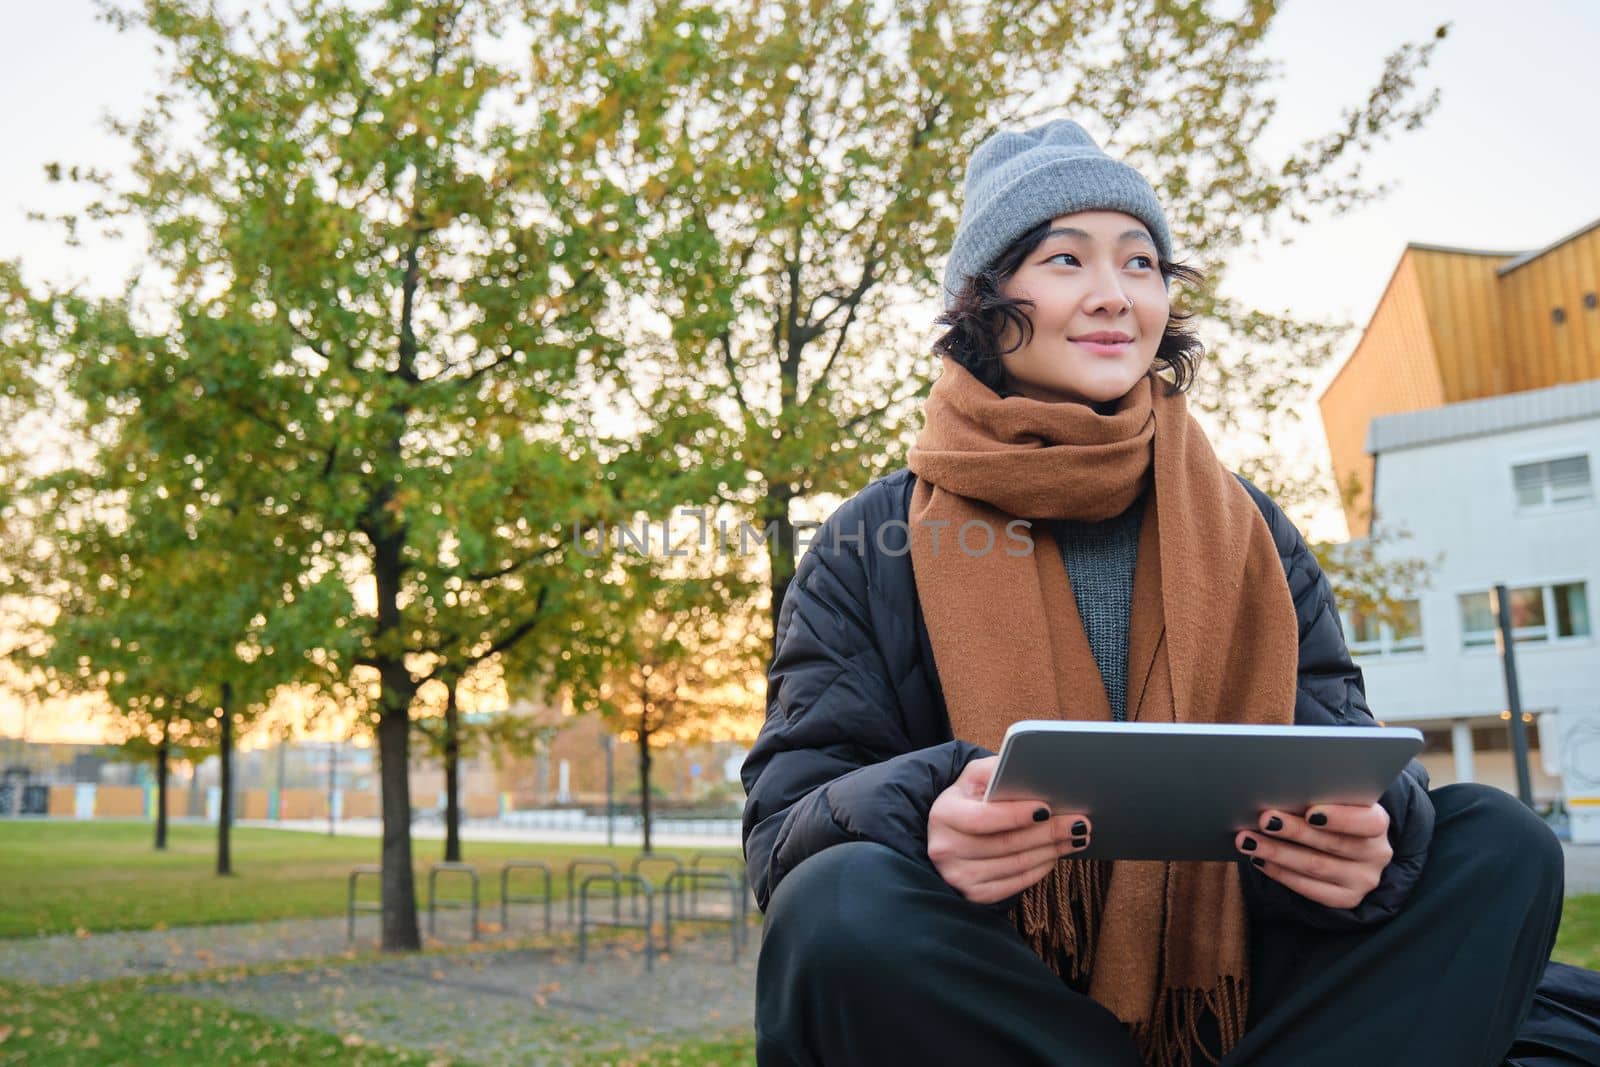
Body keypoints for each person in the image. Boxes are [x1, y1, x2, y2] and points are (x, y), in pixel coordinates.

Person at [740, 119, 1567, 1066]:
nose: (1113, 296)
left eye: (1141, 263)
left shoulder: (1250, 526)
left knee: (1497, 840)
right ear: (983, 301)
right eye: (1064, 259)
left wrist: (1367, 848)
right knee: (834, 903)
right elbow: (788, 821)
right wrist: (925, 815)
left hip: (1248, 979)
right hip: (989, 980)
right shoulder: (871, 539)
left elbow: (1338, 747)